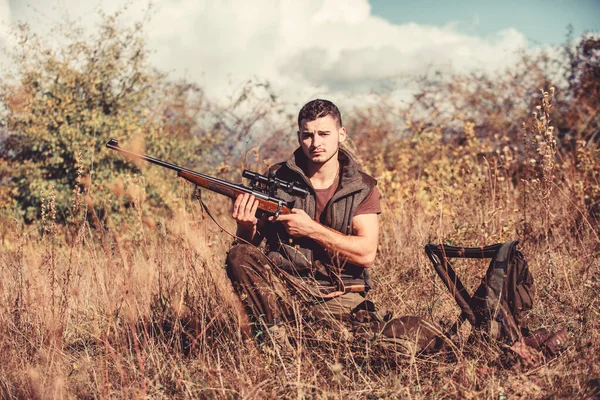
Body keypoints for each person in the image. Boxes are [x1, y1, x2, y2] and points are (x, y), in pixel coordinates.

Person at [226, 99, 440, 354]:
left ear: (341, 134)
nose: (316, 143)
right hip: (283, 291)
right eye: (308, 135)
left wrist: (311, 230)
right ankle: (278, 345)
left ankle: (316, 337)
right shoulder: (276, 179)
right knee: (238, 255)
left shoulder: (362, 187)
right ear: (299, 136)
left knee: (400, 337)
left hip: (339, 297)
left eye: (324, 134)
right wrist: (245, 226)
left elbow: (366, 253)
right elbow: (248, 248)